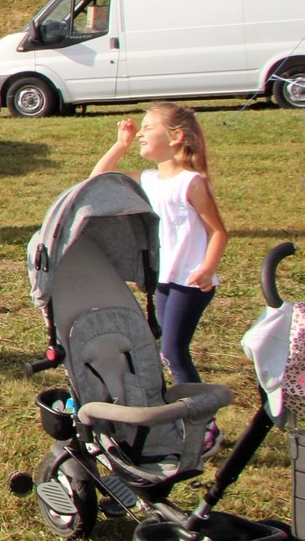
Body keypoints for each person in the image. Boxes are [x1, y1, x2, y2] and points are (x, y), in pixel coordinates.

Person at [91, 101, 228, 450]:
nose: (141, 133)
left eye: (148, 128)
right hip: (165, 282)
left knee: (172, 351)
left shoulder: (191, 182)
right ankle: (189, 416)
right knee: (166, 353)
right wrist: (120, 145)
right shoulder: (149, 180)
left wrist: (208, 268)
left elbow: (218, 231)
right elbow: (98, 181)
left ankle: (206, 426)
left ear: (176, 137)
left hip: (190, 283)